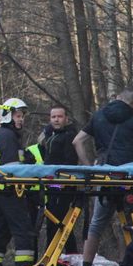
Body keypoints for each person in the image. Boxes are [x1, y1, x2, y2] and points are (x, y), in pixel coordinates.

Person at [73, 87, 133, 266]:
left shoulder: (98, 116)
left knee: (96, 224)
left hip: (103, 176)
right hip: (127, 179)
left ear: (116, 98)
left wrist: (89, 167)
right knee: (130, 226)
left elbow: (77, 141)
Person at [0, 97, 36, 266]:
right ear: (8, 116)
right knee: (22, 228)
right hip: (9, 190)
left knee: (1, 229)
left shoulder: (0, 136)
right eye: (18, 116)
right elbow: (14, 168)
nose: (21, 119)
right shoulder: (8, 136)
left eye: (22, 116)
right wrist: (28, 164)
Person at [35, 104, 81, 254]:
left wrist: (62, 181)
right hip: (50, 183)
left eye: (59, 117)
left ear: (66, 119)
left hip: (63, 184)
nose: (56, 120)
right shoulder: (49, 135)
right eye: (53, 117)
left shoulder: (69, 136)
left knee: (60, 221)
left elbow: (70, 161)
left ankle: (63, 256)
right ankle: (55, 255)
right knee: (53, 221)